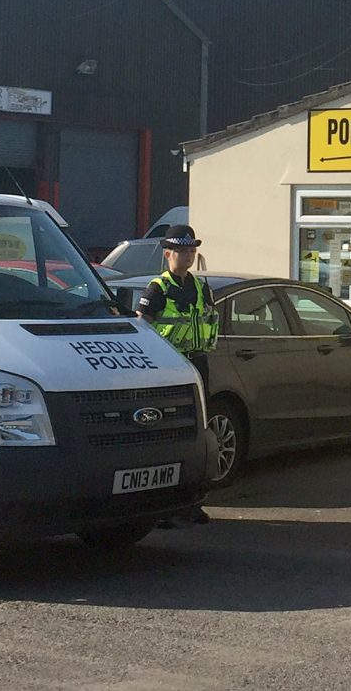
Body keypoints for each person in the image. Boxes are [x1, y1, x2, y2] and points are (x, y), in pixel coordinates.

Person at [135, 224, 218, 525]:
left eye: (192, 250)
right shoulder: (157, 288)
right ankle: (158, 507)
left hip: (196, 366)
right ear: (168, 253)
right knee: (162, 436)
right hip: (167, 369)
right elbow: (141, 328)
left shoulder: (200, 287)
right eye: (182, 251)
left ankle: (191, 502)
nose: (188, 256)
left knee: (197, 436)